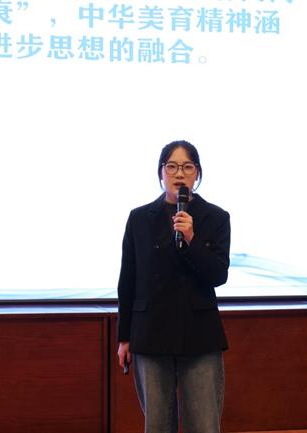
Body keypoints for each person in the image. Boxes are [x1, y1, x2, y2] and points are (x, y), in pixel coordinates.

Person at [116, 140, 230, 433]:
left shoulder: (216, 218)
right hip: (150, 334)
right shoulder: (139, 219)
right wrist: (124, 337)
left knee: (204, 425)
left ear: (197, 173)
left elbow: (218, 274)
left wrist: (192, 239)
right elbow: (128, 280)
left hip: (199, 336)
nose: (179, 173)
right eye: (172, 166)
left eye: (188, 167)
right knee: (157, 426)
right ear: (161, 172)